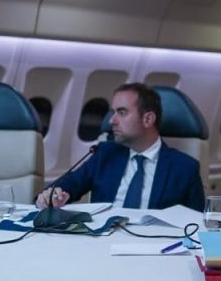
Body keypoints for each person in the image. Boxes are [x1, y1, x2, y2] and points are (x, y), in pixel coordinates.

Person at [36, 83, 205, 211]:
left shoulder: (184, 168)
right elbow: (69, 184)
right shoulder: (105, 153)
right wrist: (51, 196)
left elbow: (196, 226)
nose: (111, 121)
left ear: (148, 119)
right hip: (102, 246)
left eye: (122, 113)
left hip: (154, 251)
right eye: (113, 112)